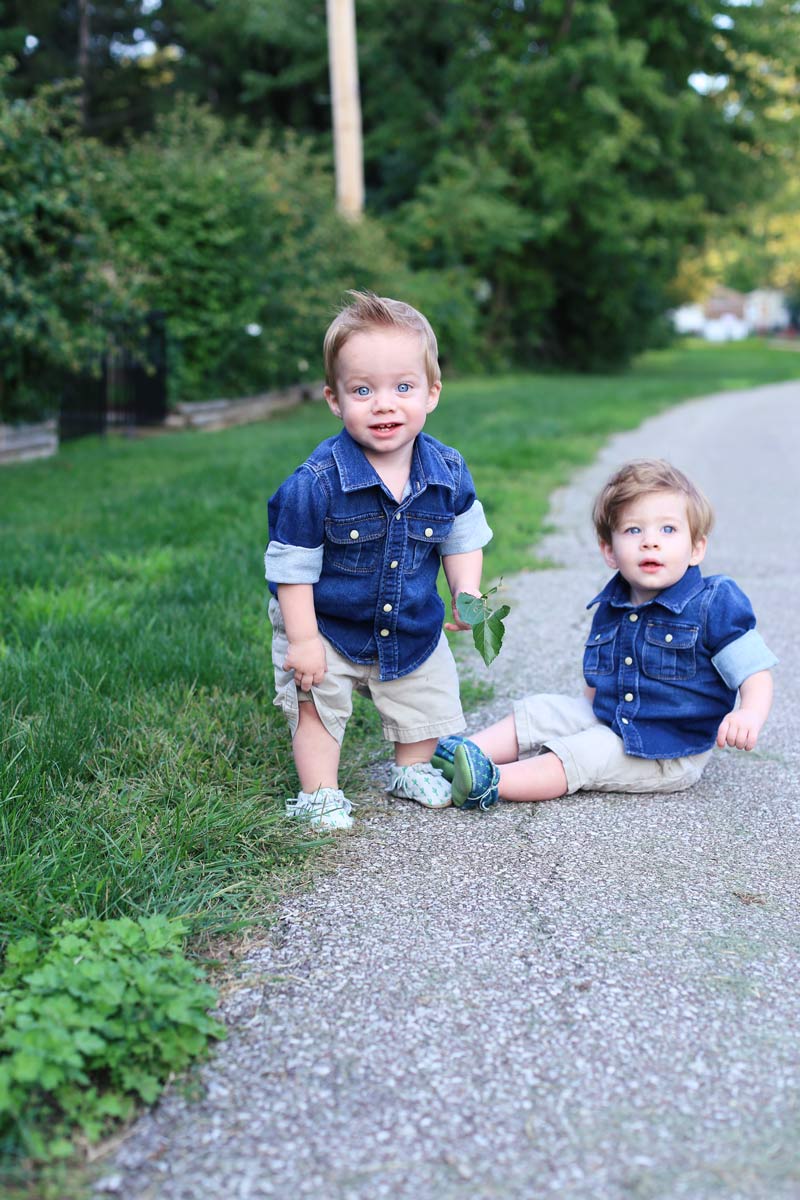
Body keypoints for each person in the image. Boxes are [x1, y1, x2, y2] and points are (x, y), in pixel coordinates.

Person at [265, 291, 492, 829]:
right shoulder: (315, 483)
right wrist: (302, 641)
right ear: (334, 399)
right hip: (327, 624)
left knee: (426, 696)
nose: (384, 404)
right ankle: (319, 793)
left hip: (410, 618)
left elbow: (461, 536)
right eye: (362, 390)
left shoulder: (448, 470)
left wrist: (466, 590)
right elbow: (291, 569)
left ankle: (411, 767)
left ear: (432, 393)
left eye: (403, 387)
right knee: (317, 704)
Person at [432, 459, 777, 810]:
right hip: (612, 717)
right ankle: (458, 752)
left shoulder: (713, 601)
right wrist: (574, 717)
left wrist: (749, 713)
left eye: (668, 530)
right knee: (545, 709)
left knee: (588, 751)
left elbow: (754, 670)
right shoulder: (613, 603)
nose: (650, 543)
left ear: (697, 548)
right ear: (609, 550)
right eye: (634, 531)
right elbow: (598, 681)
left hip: (665, 750)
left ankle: (490, 781)